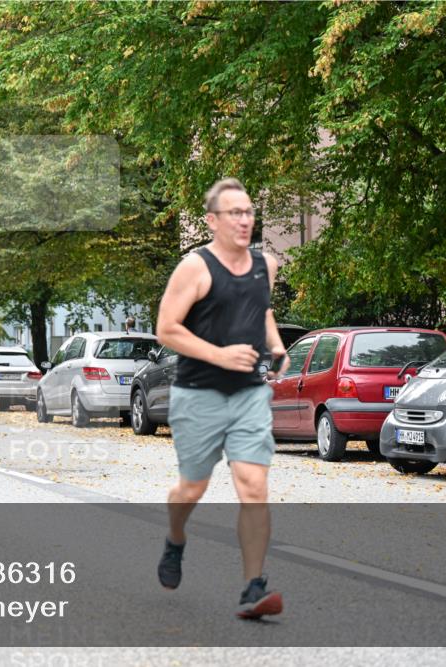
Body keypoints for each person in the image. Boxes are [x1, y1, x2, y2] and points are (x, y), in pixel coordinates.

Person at [155, 178, 289, 620]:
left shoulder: (264, 265)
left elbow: (261, 308)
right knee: (192, 486)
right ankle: (176, 537)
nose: (245, 220)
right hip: (198, 394)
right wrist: (220, 355)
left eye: (249, 211)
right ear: (212, 221)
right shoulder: (194, 268)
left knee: (253, 486)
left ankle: (253, 587)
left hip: (249, 393)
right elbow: (167, 328)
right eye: (235, 213)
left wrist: (276, 344)